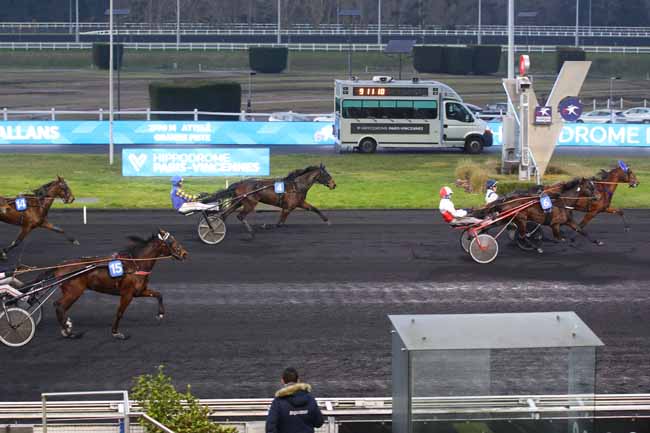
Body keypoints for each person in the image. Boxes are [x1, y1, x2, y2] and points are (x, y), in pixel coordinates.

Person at [266, 367, 324, 433]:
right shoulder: (310, 398)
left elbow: (270, 428)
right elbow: (319, 422)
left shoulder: (278, 402)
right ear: (298, 380)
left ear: (282, 381)